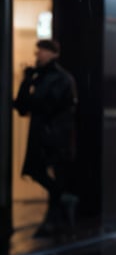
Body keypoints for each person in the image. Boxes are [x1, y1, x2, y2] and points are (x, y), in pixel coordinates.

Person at [14, 39, 78, 238]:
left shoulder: (61, 78)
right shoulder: (39, 77)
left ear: (53, 53)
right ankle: (61, 206)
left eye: (41, 51)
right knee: (36, 171)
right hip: (42, 133)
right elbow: (22, 106)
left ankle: (53, 219)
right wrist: (27, 82)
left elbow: (47, 104)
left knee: (49, 171)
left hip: (54, 134)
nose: (38, 55)